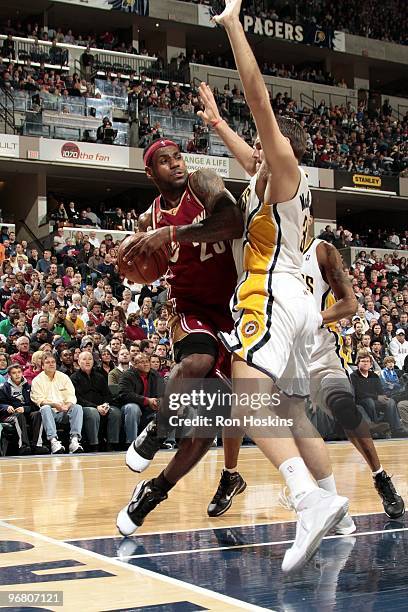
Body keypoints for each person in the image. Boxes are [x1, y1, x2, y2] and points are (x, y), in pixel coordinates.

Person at [116, 134, 246, 534]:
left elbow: (231, 221)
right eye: (165, 160)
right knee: (197, 361)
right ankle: (157, 429)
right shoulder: (146, 221)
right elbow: (129, 264)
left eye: (178, 157)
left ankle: (152, 492)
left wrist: (172, 235)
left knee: (208, 428)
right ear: (150, 172)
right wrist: (128, 256)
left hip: (235, 312)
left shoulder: (203, 182)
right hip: (189, 310)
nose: (176, 164)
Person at [301, 231, 404, 518]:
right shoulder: (264, 253)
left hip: (320, 353)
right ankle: (314, 495)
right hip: (282, 358)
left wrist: (313, 318)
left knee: (345, 408)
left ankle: (380, 475)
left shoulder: (320, 251)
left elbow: (350, 303)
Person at [30, 353, 84, 454]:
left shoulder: (64, 377)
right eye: (47, 362)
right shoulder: (37, 381)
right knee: (45, 408)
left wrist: (67, 405)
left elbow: (71, 396)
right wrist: (54, 405)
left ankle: (74, 440)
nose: (51, 364)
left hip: (64, 411)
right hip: (49, 413)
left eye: (53, 362)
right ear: (42, 366)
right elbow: (39, 400)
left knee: (77, 407)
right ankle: (53, 441)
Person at [70, 352, 122, 451]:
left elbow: (107, 394)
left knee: (116, 412)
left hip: (102, 406)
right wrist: (96, 407)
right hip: (85, 407)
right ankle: (94, 444)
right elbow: (77, 398)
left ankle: (112, 444)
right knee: (93, 413)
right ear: (78, 362)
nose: (87, 361)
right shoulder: (74, 378)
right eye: (84, 359)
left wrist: (106, 404)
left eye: (90, 359)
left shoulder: (100, 377)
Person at [350, 351, 408, 438]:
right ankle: (376, 429)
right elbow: (358, 392)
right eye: (363, 361)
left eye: (367, 361)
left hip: (375, 399)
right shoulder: (354, 376)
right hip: (361, 400)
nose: (365, 363)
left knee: (390, 402)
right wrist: (376, 397)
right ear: (358, 363)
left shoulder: (374, 376)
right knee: (369, 402)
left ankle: (396, 429)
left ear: (371, 364)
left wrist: (383, 397)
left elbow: (380, 391)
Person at [116, 352, 164, 445]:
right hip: (129, 407)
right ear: (134, 365)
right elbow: (124, 394)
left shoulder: (155, 375)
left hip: (150, 407)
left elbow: (162, 392)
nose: (146, 364)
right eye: (142, 362)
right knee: (133, 408)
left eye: (147, 361)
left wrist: (159, 401)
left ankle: (167, 442)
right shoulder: (127, 375)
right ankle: (132, 442)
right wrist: (147, 400)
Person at [0, 364, 48, 455]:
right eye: (14, 373)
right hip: (9, 415)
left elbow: (34, 405)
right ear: (9, 375)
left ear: (22, 373)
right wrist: (6, 407)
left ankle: (37, 445)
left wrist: (25, 409)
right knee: (18, 416)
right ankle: (23, 446)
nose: (17, 375)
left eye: (19, 372)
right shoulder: (4, 388)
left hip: (24, 412)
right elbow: (0, 404)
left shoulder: (28, 387)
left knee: (37, 414)